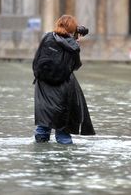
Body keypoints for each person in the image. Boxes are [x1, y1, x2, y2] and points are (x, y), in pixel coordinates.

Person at [33, 15, 95, 144]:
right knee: (63, 128)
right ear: (72, 29)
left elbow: (37, 60)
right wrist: (75, 42)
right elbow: (76, 66)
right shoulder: (73, 45)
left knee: (44, 121)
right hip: (63, 87)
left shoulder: (46, 37)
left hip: (43, 86)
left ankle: (41, 148)